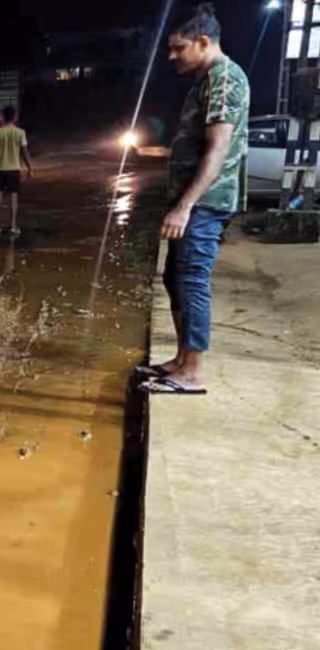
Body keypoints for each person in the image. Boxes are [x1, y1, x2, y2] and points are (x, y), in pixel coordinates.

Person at [138, 3, 248, 395]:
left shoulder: (224, 79)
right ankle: (182, 360)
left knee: (192, 280)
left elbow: (217, 150)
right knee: (176, 278)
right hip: (194, 201)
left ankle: (193, 372)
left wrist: (184, 207)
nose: (172, 55)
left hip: (204, 202)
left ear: (203, 42)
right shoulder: (206, 81)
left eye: (178, 47)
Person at [0, 106, 33, 235]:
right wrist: (29, 168)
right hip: (14, 170)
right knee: (13, 198)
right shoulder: (20, 133)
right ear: (14, 117)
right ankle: (13, 226)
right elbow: (25, 152)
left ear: (3, 117)